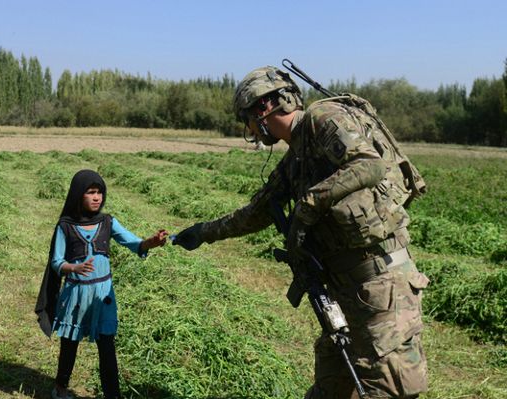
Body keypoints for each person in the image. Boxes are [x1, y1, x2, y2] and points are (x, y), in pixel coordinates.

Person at [173, 66, 429, 398]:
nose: (248, 128)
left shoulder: (322, 117)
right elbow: (256, 212)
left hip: (381, 284)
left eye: (246, 119)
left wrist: (308, 206)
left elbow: (368, 164)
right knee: (329, 389)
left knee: (387, 389)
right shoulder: (296, 158)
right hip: (344, 289)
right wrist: (203, 232)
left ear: (263, 108)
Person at [35, 169, 168, 399]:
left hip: (104, 294)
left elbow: (134, 242)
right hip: (76, 294)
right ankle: (60, 388)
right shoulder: (65, 226)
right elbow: (56, 261)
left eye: (100, 193)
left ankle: (112, 395)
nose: (97, 197)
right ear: (78, 195)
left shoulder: (108, 222)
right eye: (90, 193)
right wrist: (73, 268)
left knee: (107, 345)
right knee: (70, 343)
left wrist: (152, 242)